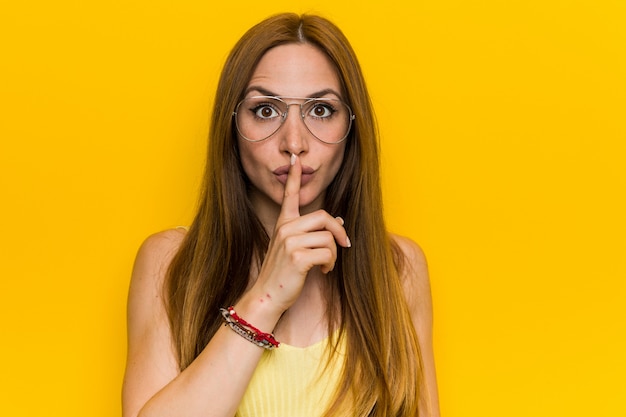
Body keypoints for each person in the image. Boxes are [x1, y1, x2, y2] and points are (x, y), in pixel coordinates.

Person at [122, 12, 439, 417]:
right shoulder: (170, 262)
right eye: (266, 110)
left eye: (321, 110)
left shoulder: (398, 268)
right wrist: (265, 299)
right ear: (231, 125)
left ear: (352, 127)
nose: (294, 143)